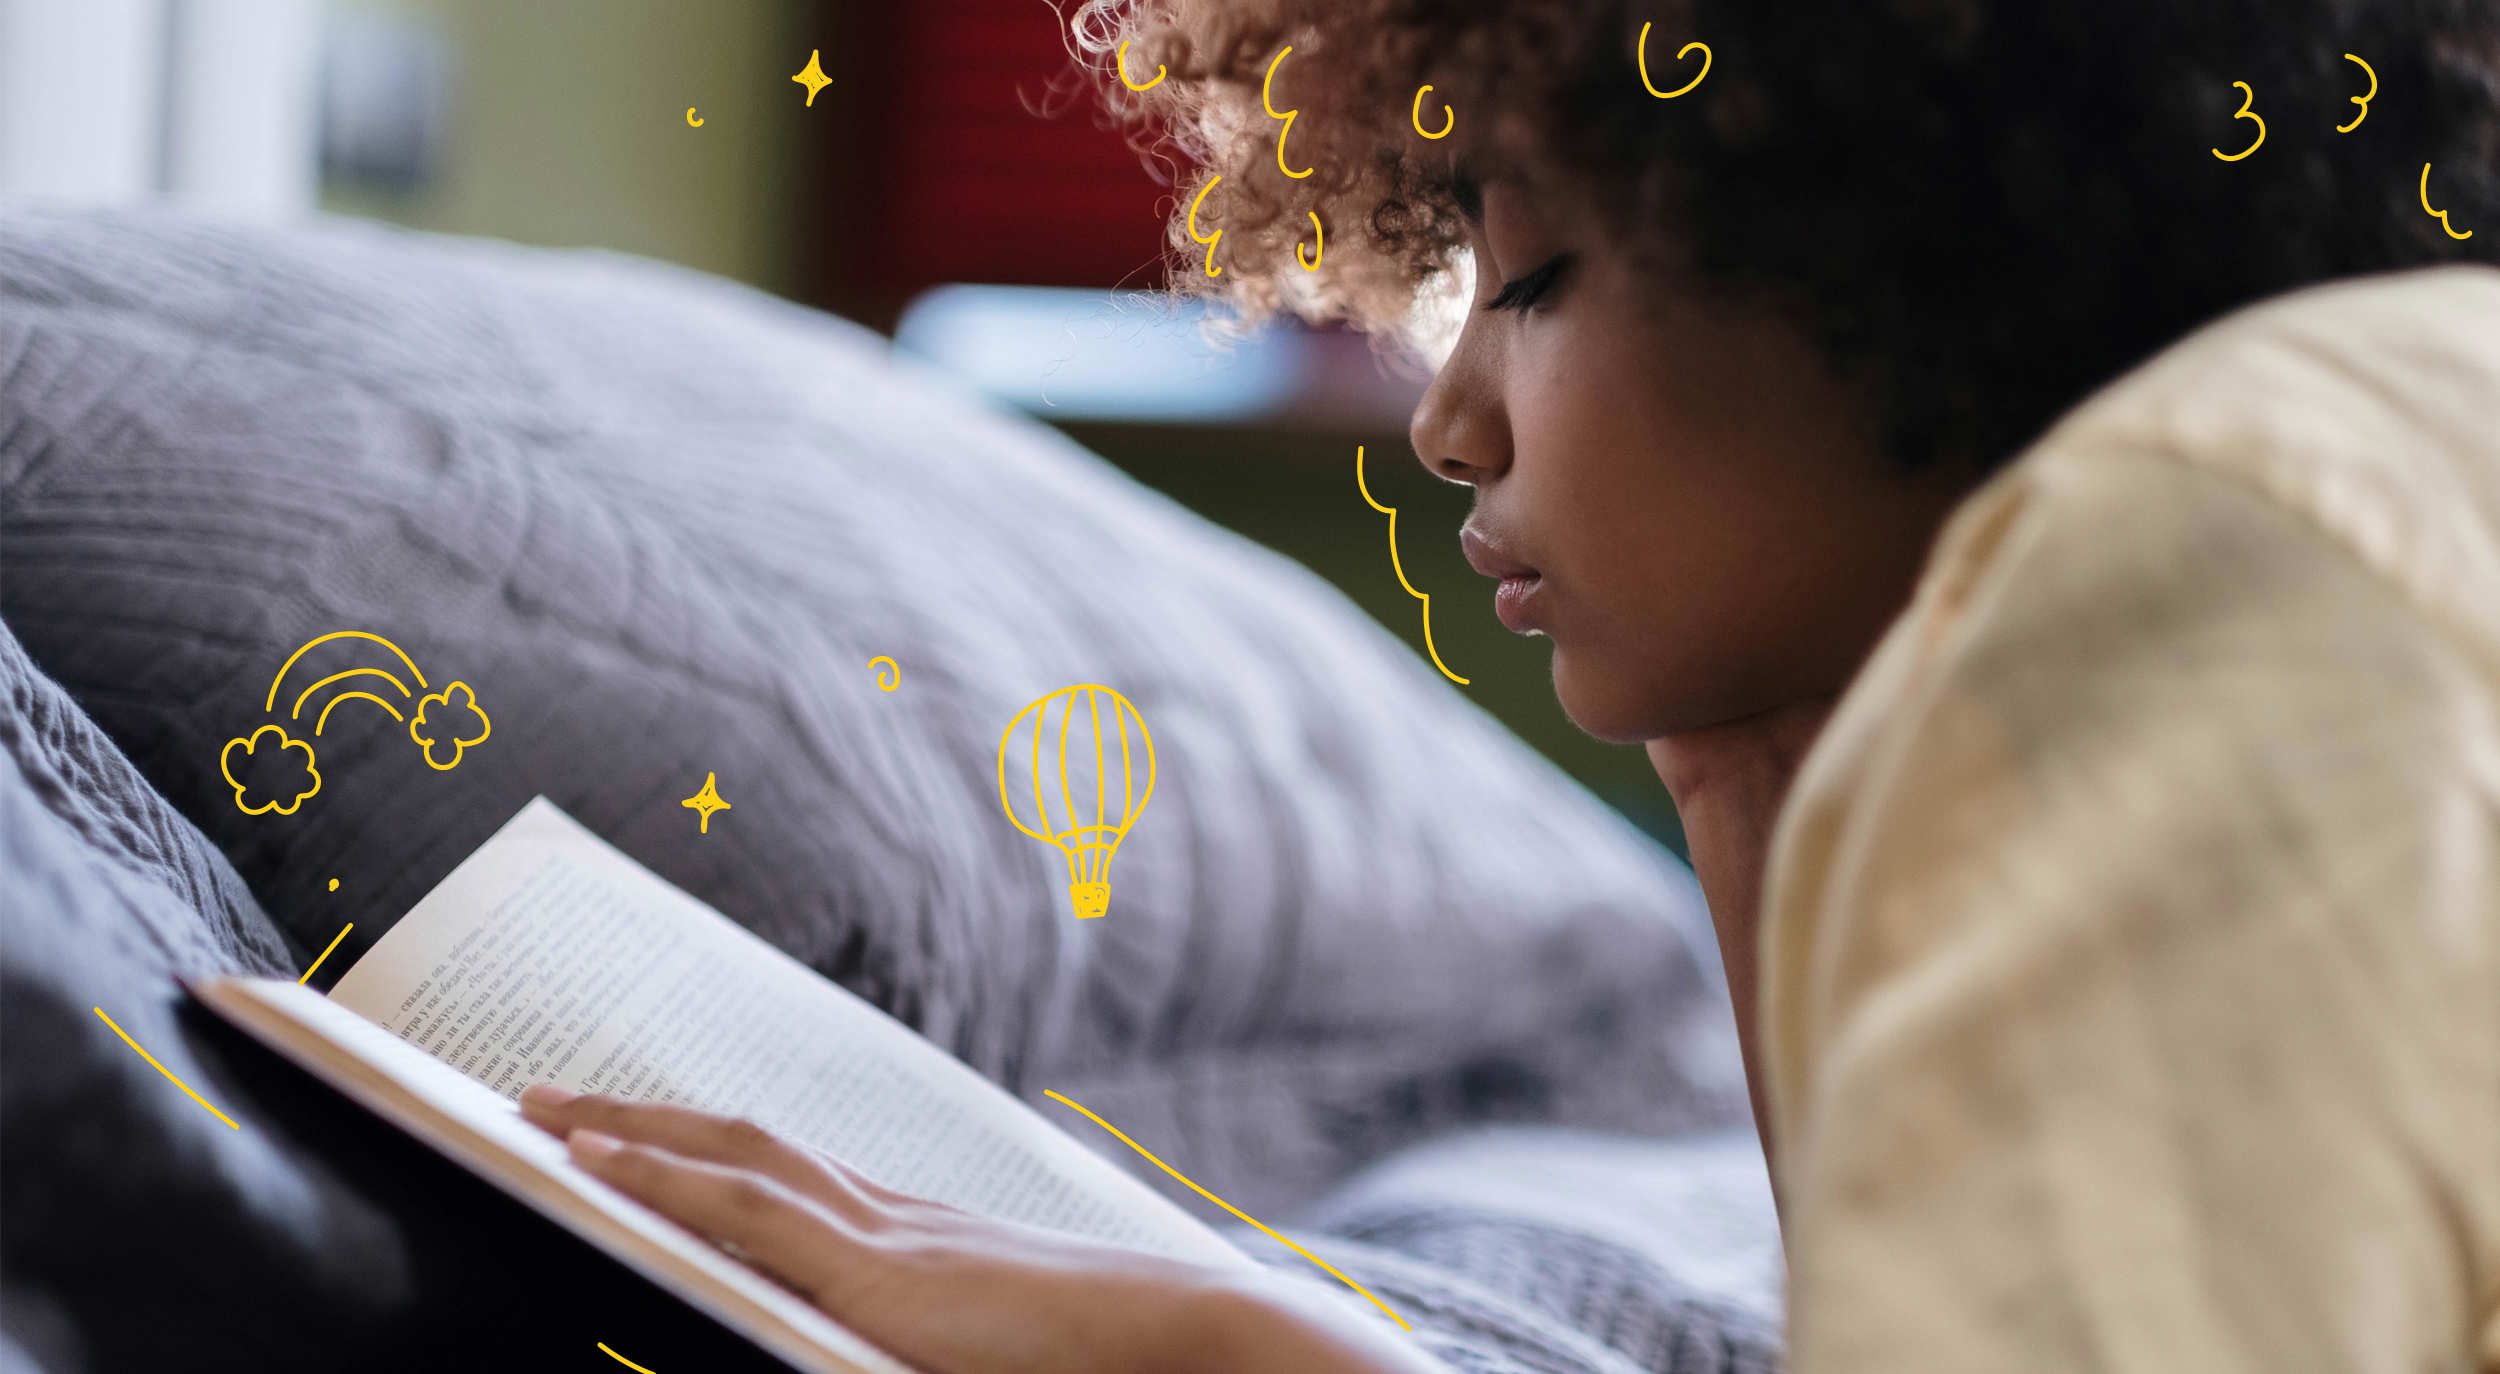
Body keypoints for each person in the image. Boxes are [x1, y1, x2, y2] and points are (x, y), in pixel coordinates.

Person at [520, 2, 2500, 1369]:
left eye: (1532, 278)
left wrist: (1260, 1363)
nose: (1451, 420)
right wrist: (1759, 837)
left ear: (1883, 230)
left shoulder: (2221, 539)